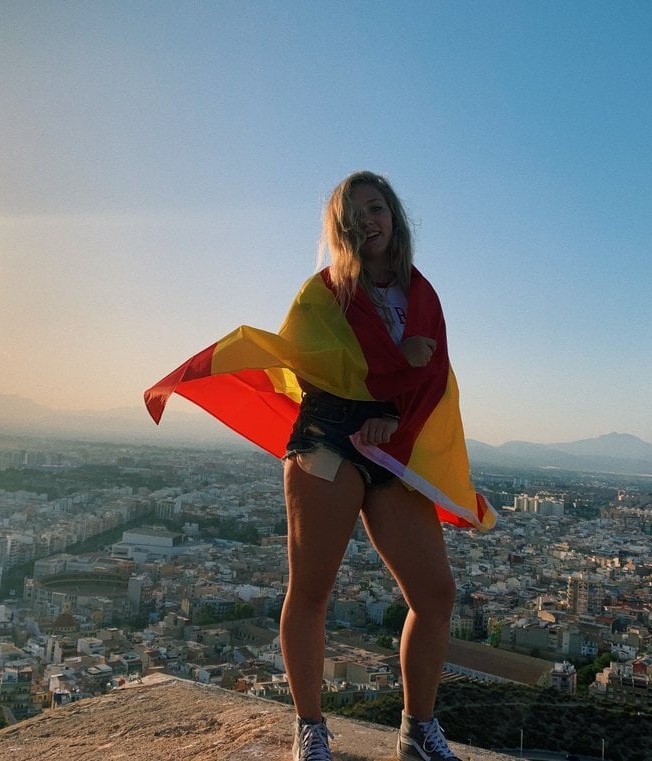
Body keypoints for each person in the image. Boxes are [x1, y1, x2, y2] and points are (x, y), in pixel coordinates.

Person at [144, 171, 496, 761]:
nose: (368, 221)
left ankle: (417, 728)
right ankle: (309, 728)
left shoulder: (422, 294)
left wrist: (393, 414)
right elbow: (313, 367)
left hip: (396, 443)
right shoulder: (322, 294)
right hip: (328, 436)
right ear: (340, 230)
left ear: (394, 216)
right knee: (311, 589)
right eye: (353, 215)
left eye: (377, 208)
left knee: (435, 595)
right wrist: (387, 372)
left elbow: (432, 379)